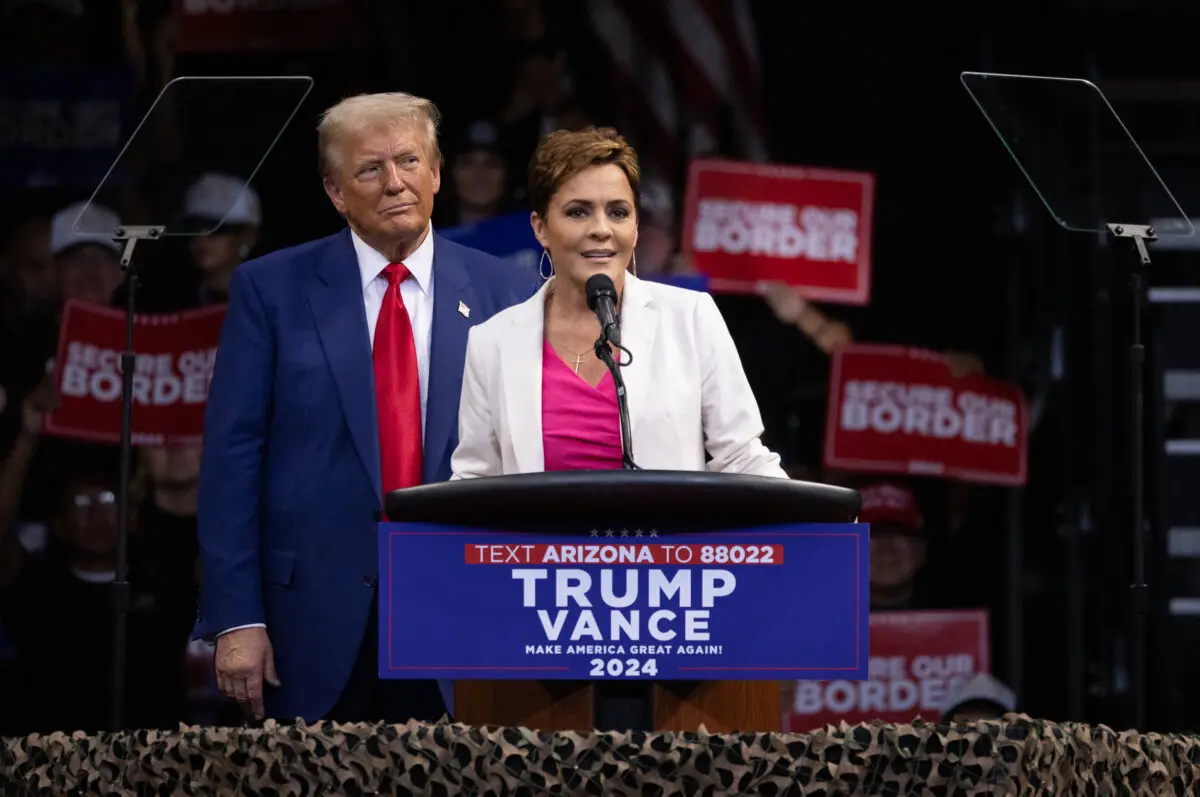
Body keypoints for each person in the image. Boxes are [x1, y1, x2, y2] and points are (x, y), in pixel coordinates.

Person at [194, 92, 538, 724]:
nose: (395, 183)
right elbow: (231, 462)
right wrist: (236, 617)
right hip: (309, 622)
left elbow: (534, 459)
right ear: (334, 190)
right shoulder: (271, 290)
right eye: (369, 169)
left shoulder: (511, 293)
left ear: (437, 173)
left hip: (464, 611)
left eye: (409, 161)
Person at [451, 127, 786, 478]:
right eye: (578, 212)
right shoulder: (492, 342)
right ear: (541, 228)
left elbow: (742, 459)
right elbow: (476, 481)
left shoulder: (691, 318)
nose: (602, 229)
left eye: (618, 212)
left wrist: (821, 525)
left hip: (665, 534)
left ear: (636, 226)